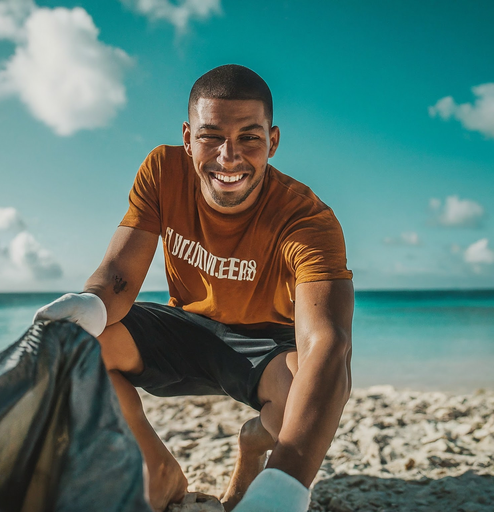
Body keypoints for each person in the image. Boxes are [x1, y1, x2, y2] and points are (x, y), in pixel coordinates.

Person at [34, 64, 354, 512]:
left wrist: (286, 487)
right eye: (211, 136)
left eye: (249, 136)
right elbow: (117, 278)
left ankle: (253, 449)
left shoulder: (307, 219)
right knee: (76, 348)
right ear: (188, 138)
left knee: (315, 387)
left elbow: (327, 341)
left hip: (263, 345)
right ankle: (160, 472)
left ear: (273, 142)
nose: (228, 156)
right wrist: (86, 307)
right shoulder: (163, 170)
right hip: (186, 326)